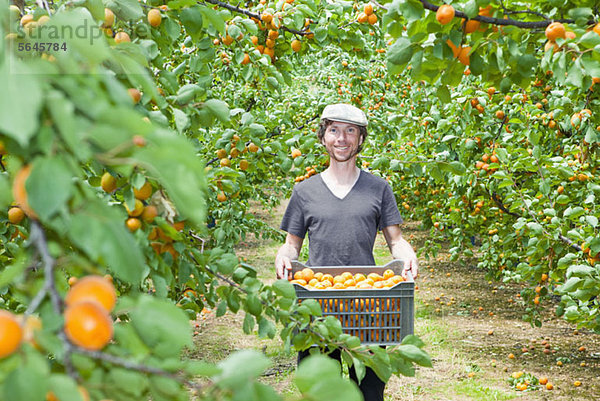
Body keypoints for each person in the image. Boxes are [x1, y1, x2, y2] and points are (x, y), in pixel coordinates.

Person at [275, 103, 419, 401]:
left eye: (350, 131)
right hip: (317, 305)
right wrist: (283, 256)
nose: (342, 138)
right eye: (334, 130)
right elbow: (292, 244)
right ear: (323, 137)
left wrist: (407, 254)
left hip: (368, 304)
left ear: (360, 139)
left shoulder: (378, 188)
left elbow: (396, 240)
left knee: (369, 391)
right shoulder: (305, 191)